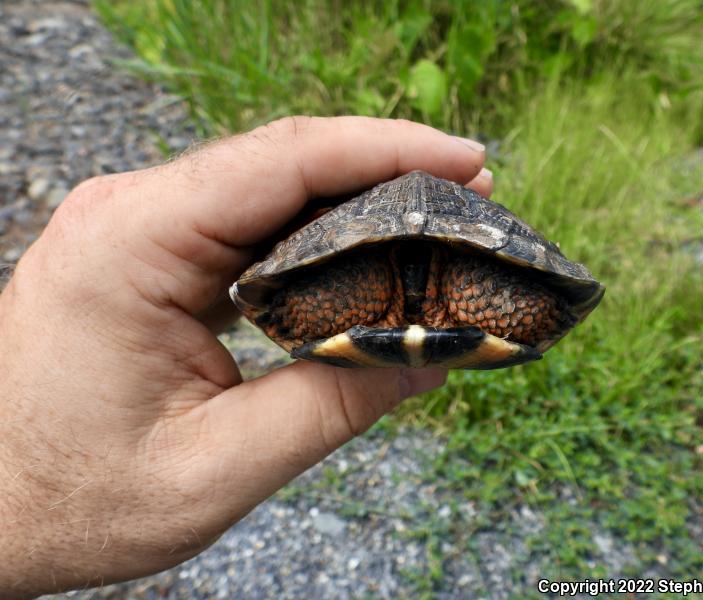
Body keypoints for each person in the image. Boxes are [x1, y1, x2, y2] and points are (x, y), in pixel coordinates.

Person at [0, 116, 492, 597]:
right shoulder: (357, 284)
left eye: (430, 267)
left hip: (468, 267)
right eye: (399, 266)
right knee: (343, 292)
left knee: (477, 292)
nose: (412, 274)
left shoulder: (474, 285)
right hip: (361, 266)